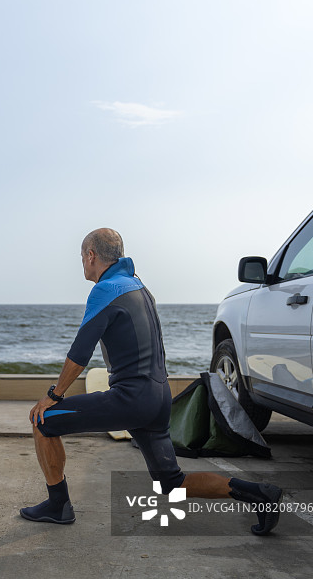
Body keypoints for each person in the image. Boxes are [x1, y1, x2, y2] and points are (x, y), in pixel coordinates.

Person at [21, 228, 282, 536]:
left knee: (44, 420)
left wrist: (54, 394)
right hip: (157, 398)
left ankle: (58, 506)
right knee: (171, 483)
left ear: (91, 256)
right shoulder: (138, 286)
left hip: (131, 399)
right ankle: (259, 494)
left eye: (82, 256)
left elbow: (80, 353)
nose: (82, 263)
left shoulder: (106, 290)